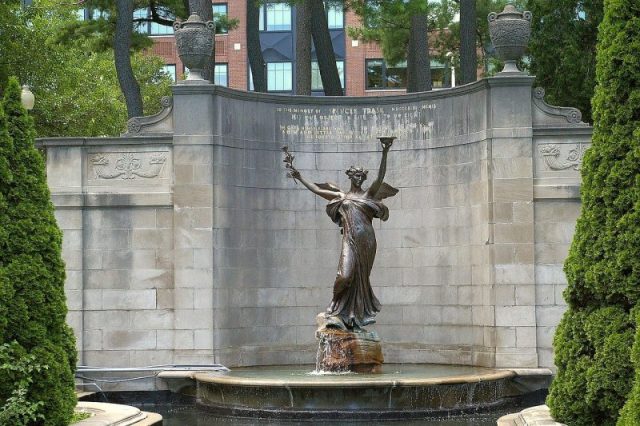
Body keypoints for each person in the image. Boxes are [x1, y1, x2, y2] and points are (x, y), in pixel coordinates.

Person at [286, 137, 398, 331]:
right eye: (356, 175)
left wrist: (385, 152)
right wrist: (300, 176)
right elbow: (317, 189)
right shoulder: (341, 197)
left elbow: (380, 178)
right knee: (344, 276)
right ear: (350, 176)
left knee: (359, 279)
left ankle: (355, 316)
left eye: (362, 176)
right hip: (349, 240)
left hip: (367, 242)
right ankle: (335, 306)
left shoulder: (367, 196)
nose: (359, 178)